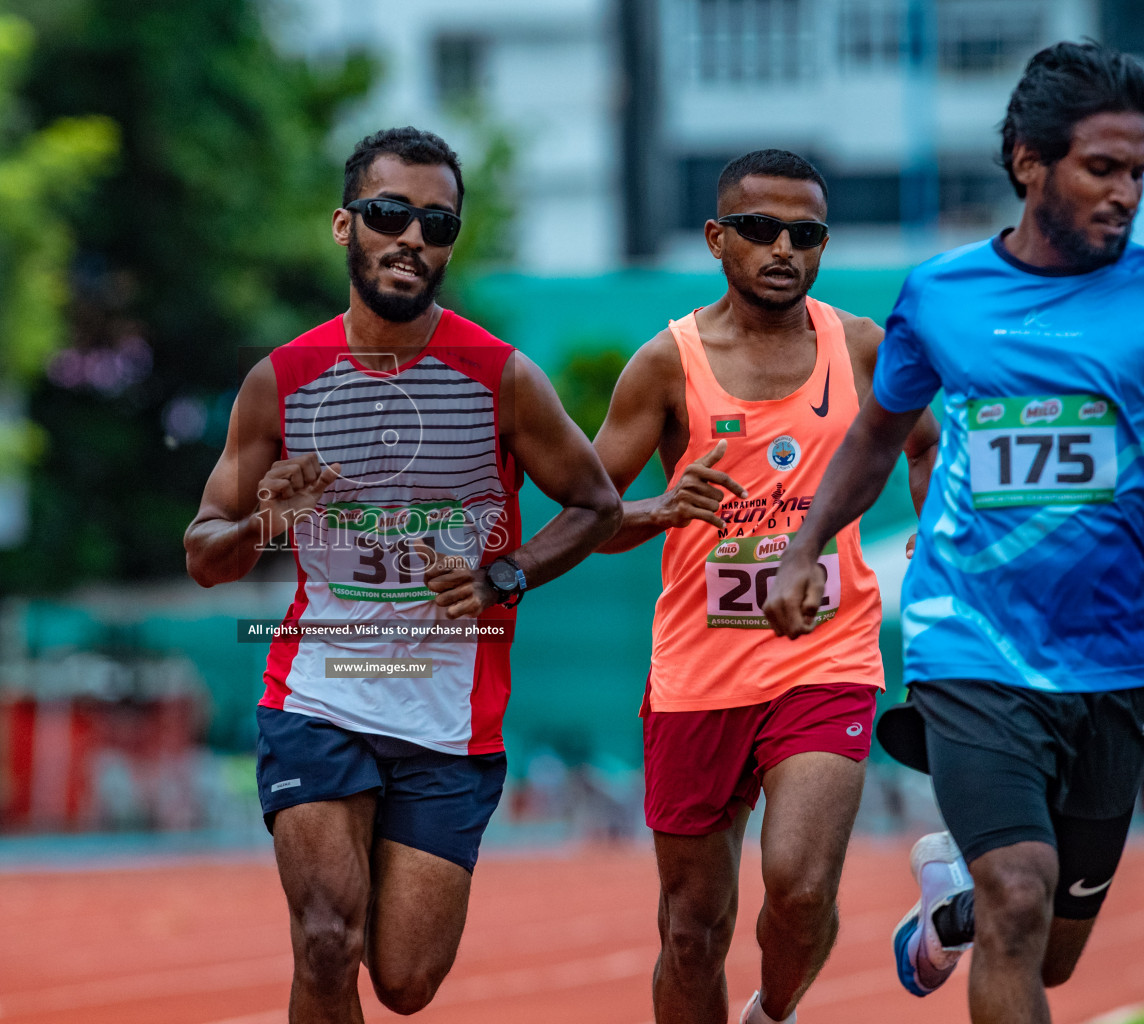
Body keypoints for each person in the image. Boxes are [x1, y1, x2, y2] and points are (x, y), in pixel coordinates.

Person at [183, 126, 620, 1021]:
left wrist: (507, 574)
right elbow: (203, 556)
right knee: (325, 941)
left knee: (406, 981)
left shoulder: (500, 378)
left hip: (447, 716)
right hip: (317, 694)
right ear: (346, 226)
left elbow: (596, 504)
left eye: (437, 223)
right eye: (389, 214)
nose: (412, 238)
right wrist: (272, 519)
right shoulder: (283, 381)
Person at [763, 41, 1144, 1024]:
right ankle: (984, 901)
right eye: (1102, 168)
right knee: (1022, 890)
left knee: (1046, 944)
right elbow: (879, 432)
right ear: (1029, 160)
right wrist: (804, 547)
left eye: (1138, 173)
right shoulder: (941, 297)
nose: (1124, 193)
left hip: (1115, 657)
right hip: (973, 640)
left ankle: (948, 915)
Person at [592, 149, 938, 1024]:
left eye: (806, 233)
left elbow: (928, 441)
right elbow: (588, 513)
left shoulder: (860, 345)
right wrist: (661, 511)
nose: (783, 247)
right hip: (696, 677)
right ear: (717, 239)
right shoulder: (665, 365)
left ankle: (773, 1013)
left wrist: (936, 542)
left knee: (800, 885)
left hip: (826, 656)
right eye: (759, 229)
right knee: (692, 931)